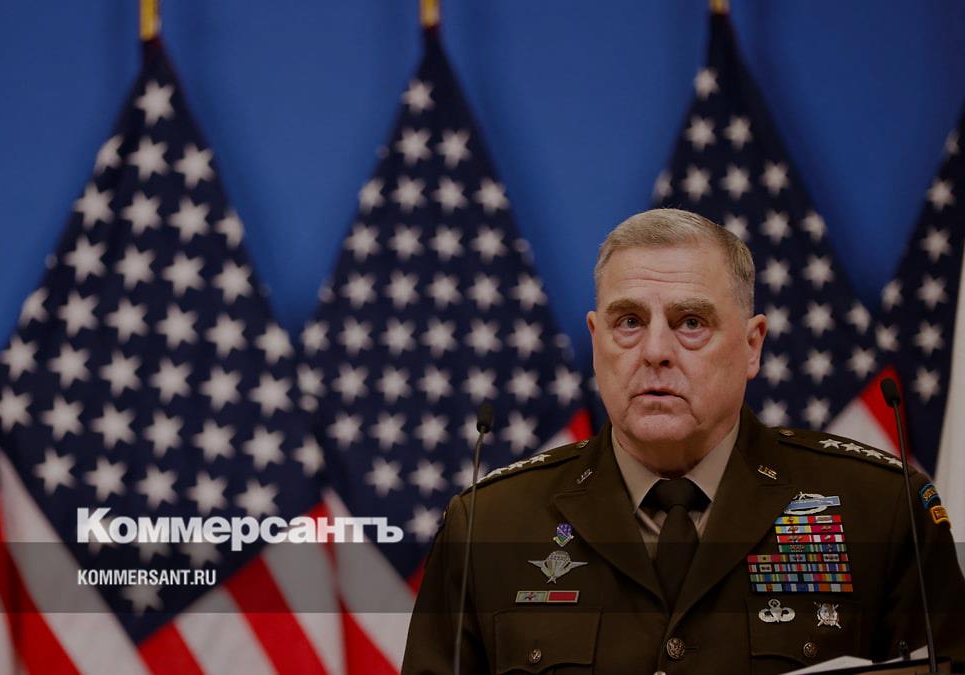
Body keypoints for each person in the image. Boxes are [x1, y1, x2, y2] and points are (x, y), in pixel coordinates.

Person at [401, 209, 965, 674]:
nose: (655, 351)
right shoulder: (486, 525)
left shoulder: (881, 509)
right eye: (628, 322)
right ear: (596, 341)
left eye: (691, 322)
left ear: (752, 346)